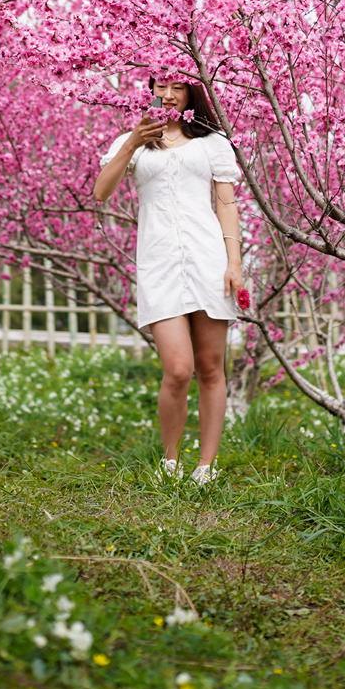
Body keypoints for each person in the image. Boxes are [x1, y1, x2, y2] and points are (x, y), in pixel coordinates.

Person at [93, 75, 244, 483]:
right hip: (158, 264)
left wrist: (234, 264)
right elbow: (101, 192)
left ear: (192, 92)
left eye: (180, 87)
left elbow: (226, 205)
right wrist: (131, 143)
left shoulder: (212, 142)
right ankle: (171, 462)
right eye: (163, 86)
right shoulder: (134, 141)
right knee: (178, 369)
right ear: (151, 89)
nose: (170, 95)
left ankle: (206, 467)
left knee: (211, 367)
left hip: (207, 260)